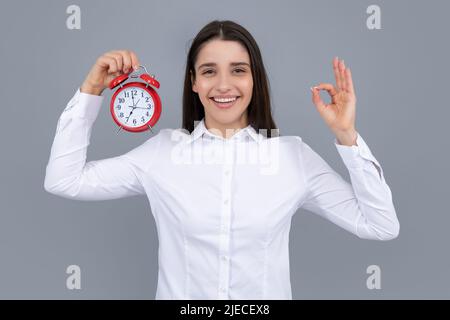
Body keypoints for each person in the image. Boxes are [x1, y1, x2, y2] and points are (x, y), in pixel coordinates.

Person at [44, 20, 399, 300]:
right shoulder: (160, 154)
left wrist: (347, 137)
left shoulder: (293, 157)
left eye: (239, 70)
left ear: (254, 78)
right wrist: (90, 90)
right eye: (210, 71)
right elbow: (64, 180)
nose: (224, 85)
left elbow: (380, 225)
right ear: (194, 82)